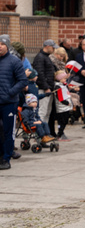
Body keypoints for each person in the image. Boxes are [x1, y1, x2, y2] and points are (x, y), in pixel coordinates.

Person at [0, 36, 27, 170]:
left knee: (7, 131)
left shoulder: (14, 61)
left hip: (9, 102)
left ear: (7, 46)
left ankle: (6, 157)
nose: (0, 46)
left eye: (2, 44)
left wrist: (11, 92)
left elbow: (22, 81)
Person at [32, 40, 57, 135]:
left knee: (47, 112)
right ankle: (40, 134)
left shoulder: (45, 57)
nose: (54, 49)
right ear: (47, 46)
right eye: (53, 47)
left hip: (48, 88)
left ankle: (45, 133)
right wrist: (46, 87)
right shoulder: (40, 57)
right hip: (43, 89)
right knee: (42, 112)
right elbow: (40, 74)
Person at [53, 71, 74, 141]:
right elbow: (59, 97)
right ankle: (60, 133)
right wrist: (66, 103)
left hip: (65, 107)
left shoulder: (63, 85)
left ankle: (61, 133)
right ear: (60, 79)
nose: (65, 80)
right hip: (62, 107)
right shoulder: (58, 86)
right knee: (62, 121)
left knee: (65, 121)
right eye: (64, 78)